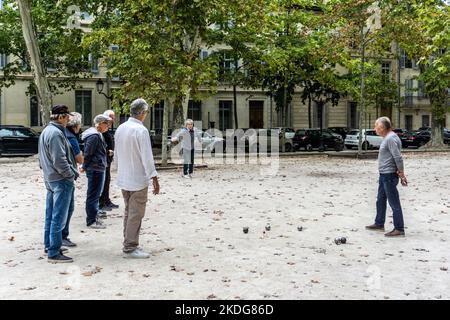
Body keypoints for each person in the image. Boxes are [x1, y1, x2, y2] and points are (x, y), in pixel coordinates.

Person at [115, 98, 160, 259]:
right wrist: (154, 177)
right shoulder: (141, 131)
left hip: (124, 176)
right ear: (142, 113)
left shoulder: (120, 128)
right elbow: (147, 157)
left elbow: (117, 154)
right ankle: (130, 246)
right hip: (137, 178)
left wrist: (119, 170)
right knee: (136, 214)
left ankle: (128, 242)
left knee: (129, 212)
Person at [38, 105, 79, 263]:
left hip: (51, 178)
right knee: (58, 216)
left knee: (51, 214)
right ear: (61, 117)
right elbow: (59, 159)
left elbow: (41, 158)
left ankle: (50, 246)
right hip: (60, 179)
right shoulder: (55, 133)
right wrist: (70, 174)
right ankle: (54, 252)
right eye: (67, 116)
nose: (69, 119)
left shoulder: (47, 131)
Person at [366, 116, 408, 237]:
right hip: (384, 174)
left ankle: (399, 228)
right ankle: (379, 223)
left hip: (389, 175)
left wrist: (401, 173)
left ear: (382, 127)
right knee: (380, 199)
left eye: (376, 126)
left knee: (394, 202)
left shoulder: (390, 139)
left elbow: (398, 157)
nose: (375, 129)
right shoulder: (389, 137)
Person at [81, 114, 111, 229]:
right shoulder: (94, 136)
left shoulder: (98, 134)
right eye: (106, 123)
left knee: (95, 194)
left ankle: (94, 216)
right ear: (99, 124)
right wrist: (84, 166)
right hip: (95, 169)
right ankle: (91, 220)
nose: (108, 126)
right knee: (93, 195)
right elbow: (88, 153)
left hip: (98, 167)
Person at [62, 112, 84, 248]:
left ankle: (60, 237)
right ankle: (63, 236)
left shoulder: (62, 133)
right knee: (67, 208)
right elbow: (79, 158)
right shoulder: (72, 138)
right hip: (66, 176)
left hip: (57, 177)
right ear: (76, 125)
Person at [99, 109, 119, 212]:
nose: (113, 119)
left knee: (107, 180)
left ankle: (106, 200)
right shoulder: (102, 130)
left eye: (113, 117)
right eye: (111, 117)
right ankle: (101, 202)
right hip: (104, 160)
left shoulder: (108, 129)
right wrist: (108, 152)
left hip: (108, 161)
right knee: (104, 181)